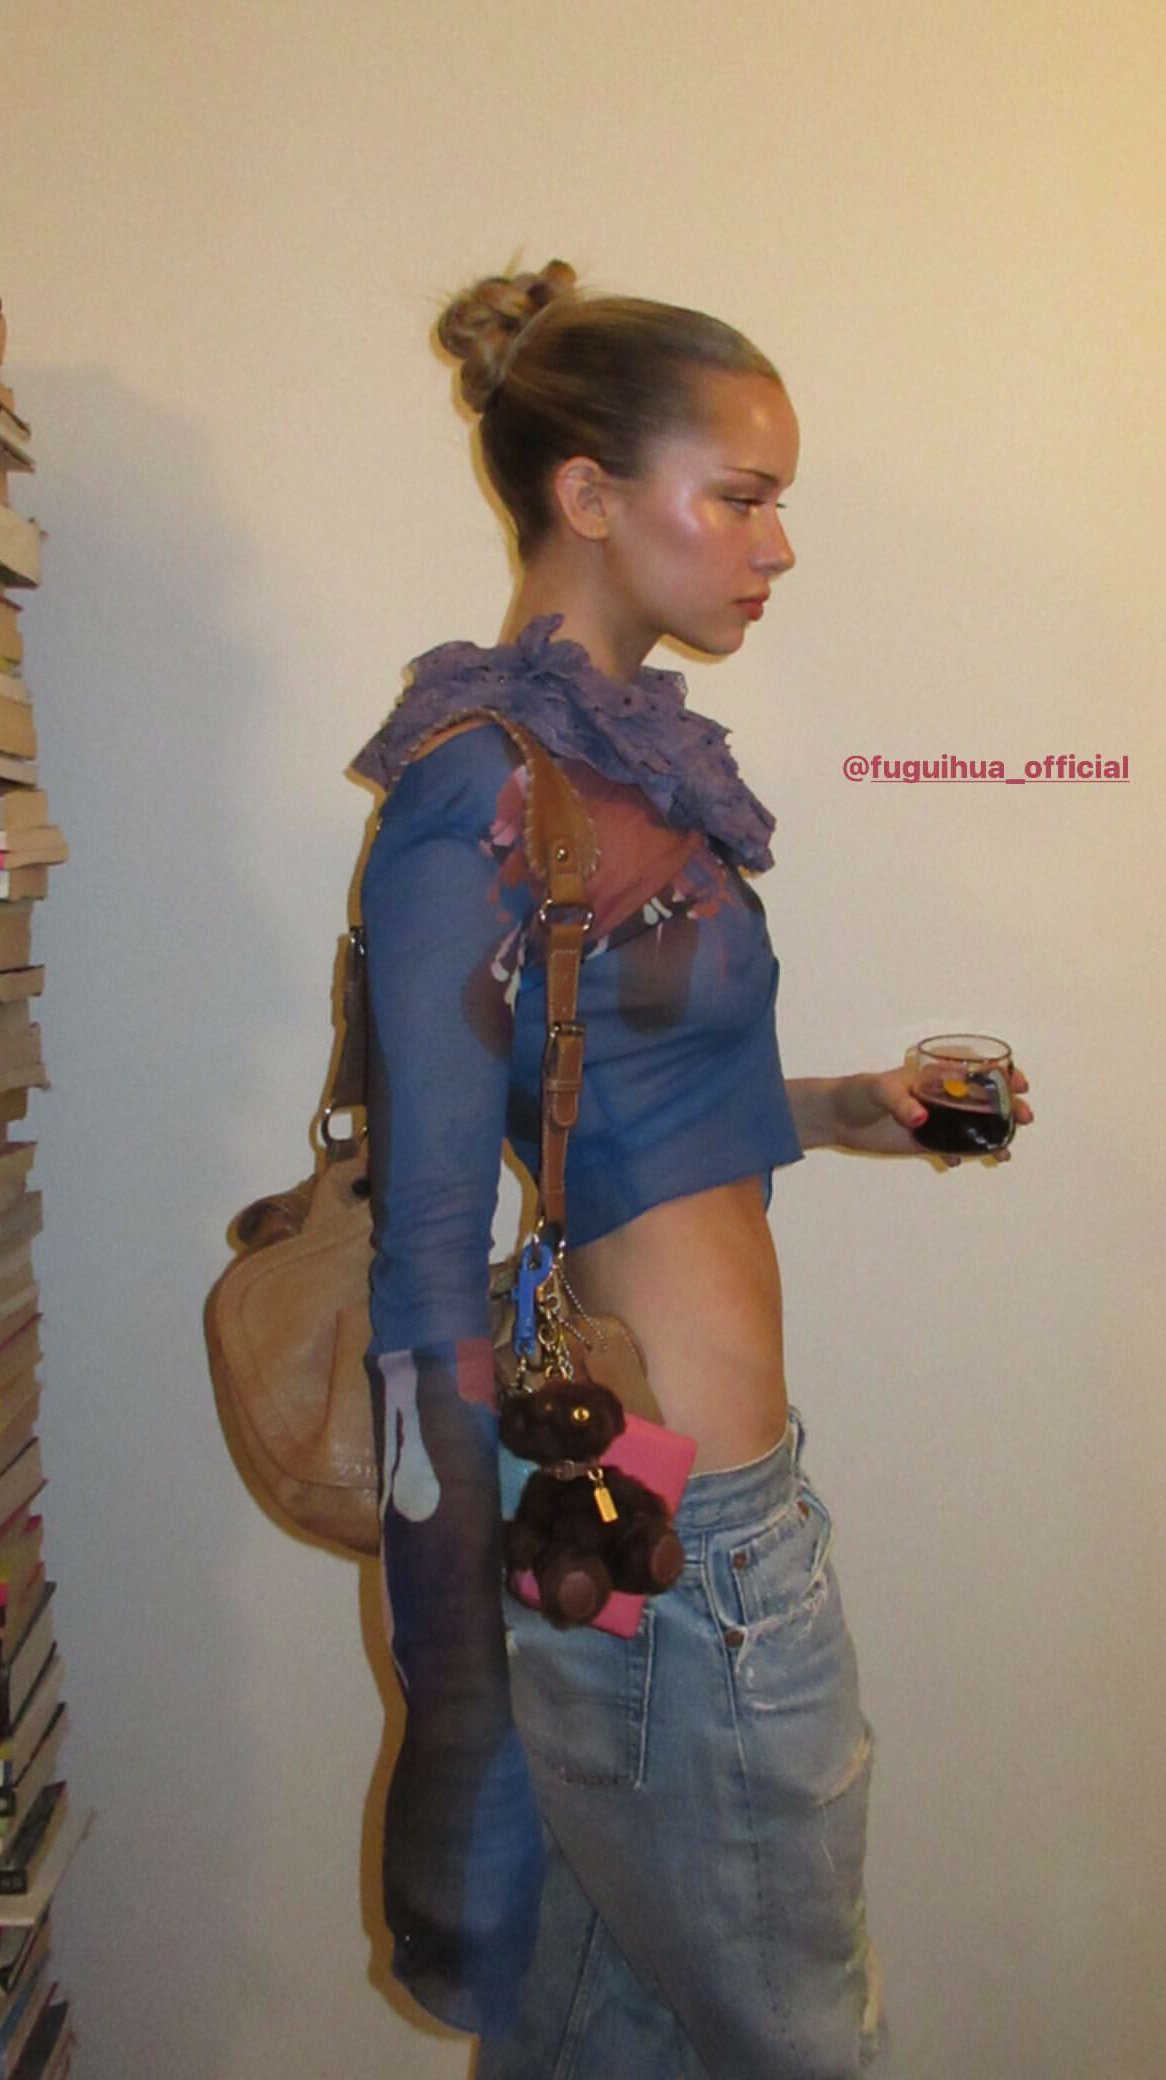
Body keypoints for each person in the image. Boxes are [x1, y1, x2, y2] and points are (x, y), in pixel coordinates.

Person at [352, 260, 1032, 2079]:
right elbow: (426, 1251)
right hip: (664, 1529)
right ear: (587, 493)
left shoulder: (618, 771)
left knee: (613, 2042)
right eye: (736, 497)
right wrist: (451, 1676)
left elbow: (632, 1108)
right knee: (798, 2045)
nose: (775, 545)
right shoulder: (478, 790)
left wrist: (850, 1108)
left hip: (712, 1509)